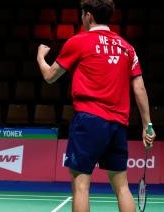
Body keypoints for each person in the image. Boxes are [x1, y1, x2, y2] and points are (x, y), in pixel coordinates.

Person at [36, 0, 156, 211]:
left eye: (82, 14)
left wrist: (40, 56)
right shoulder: (127, 48)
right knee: (122, 186)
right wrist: (148, 126)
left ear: (88, 16)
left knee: (81, 185)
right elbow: (140, 89)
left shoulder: (78, 41)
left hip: (89, 120)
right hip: (118, 125)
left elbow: (49, 76)